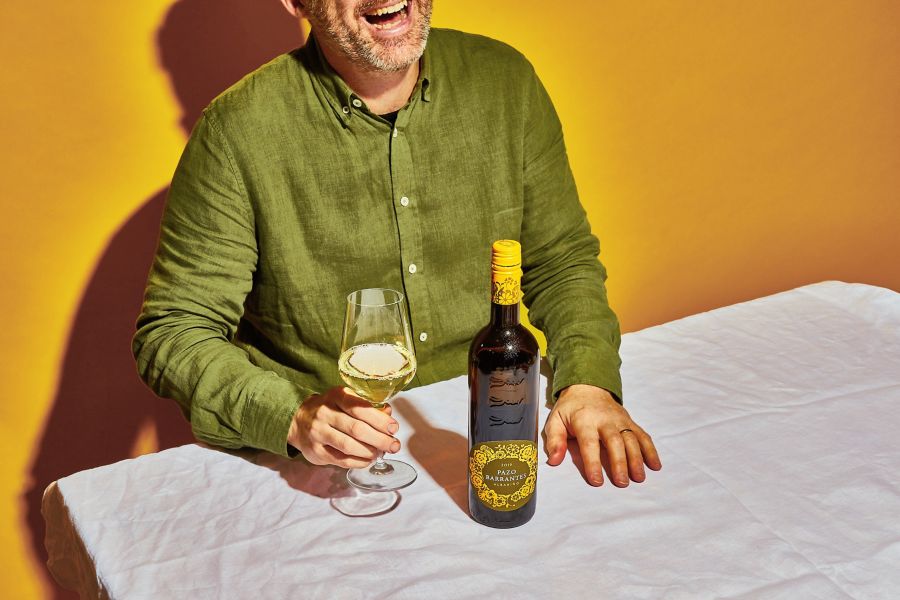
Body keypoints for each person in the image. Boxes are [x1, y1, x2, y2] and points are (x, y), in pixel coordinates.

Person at [133, 0, 662, 489]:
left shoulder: (506, 82)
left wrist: (587, 382)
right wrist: (292, 417)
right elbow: (175, 332)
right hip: (326, 470)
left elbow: (561, 261)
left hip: (496, 425)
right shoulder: (236, 132)